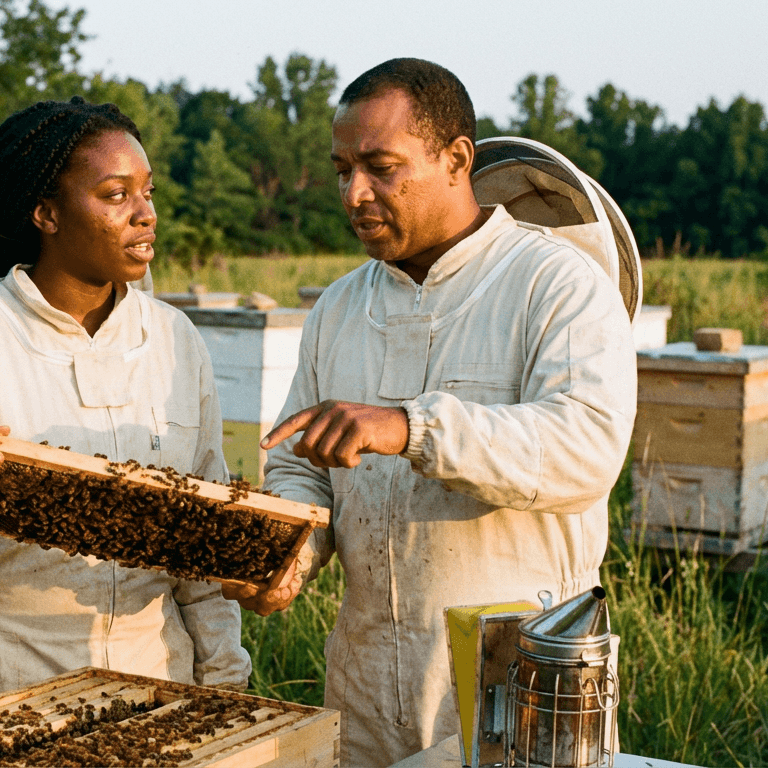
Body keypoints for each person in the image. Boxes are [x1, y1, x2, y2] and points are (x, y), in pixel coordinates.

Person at [225, 59, 637, 766]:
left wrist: (412, 428)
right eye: (341, 169)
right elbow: (303, 465)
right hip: (362, 681)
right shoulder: (339, 306)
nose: (354, 193)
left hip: (520, 681)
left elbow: (587, 447)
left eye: (381, 167)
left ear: (456, 159)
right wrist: (290, 552)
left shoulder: (555, 283)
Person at [0, 97, 251, 698]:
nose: (145, 214)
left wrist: (223, 680)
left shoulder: (174, 338)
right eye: (116, 195)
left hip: (160, 678)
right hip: (14, 684)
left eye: (148, 192)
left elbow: (202, 543)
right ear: (46, 214)